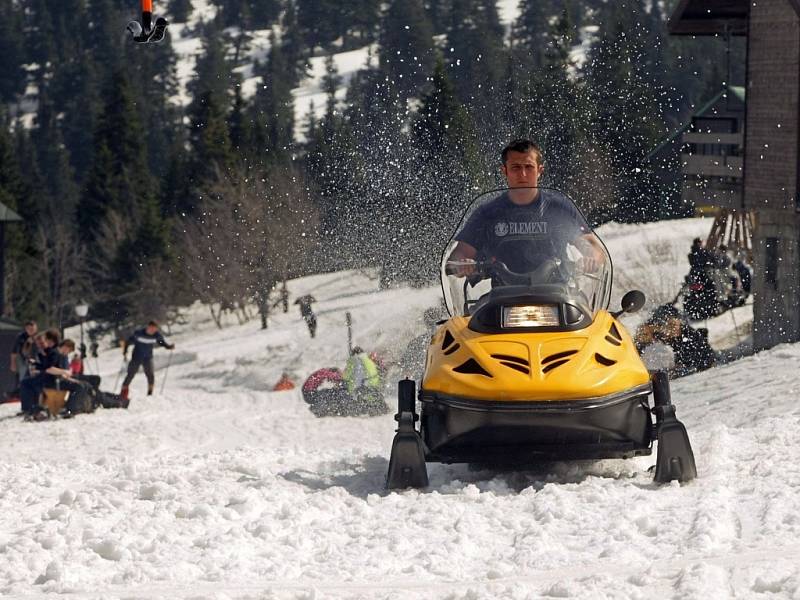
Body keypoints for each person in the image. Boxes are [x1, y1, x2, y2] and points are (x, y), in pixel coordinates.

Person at [446, 139, 602, 279]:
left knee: (590, 312)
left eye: (529, 167)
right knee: (474, 312)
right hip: (502, 299)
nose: (523, 174)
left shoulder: (559, 208)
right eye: (515, 167)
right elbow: (461, 252)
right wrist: (462, 263)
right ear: (504, 171)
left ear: (540, 170)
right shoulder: (487, 213)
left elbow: (590, 244)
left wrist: (590, 257)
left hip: (558, 295)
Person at [635, 304, 715, 378]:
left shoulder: (688, 338)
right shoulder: (656, 335)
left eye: (673, 324)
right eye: (667, 325)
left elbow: (688, 364)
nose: (672, 329)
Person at [120, 321, 175, 399]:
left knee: (150, 375)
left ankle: (150, 393)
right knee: (130, 374)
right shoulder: (139, 334)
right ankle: (123, 393)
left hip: (148, 358)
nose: (152, 331)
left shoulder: (156, 336)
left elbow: (162, 343)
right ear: (148, 327)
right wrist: (125, 351)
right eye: (151, 328)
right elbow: (128, 341)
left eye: (154, 329)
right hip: (136, 357)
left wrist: (169, 347)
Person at [18, 329, 65, 420]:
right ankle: (29, 408)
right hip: (46, 376)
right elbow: (45, 365)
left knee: (28, 383)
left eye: (43, 341)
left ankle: (31, 409)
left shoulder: (53, 351)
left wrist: (38, 366)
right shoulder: (46, 351)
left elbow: (48, 367)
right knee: (26, 382)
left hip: (51, 378)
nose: (41, 345)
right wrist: (36, 363)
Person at [343, 346, 385, 414]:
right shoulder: (367, 360)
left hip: (362, 388)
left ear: (354, 354)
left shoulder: (354, 360)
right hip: (374, 387)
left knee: (345, 388)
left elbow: (345, 376)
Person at [9, 321, 38, 393]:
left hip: (35, 360)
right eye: (29, 329)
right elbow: (15, 351)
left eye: (32, 329)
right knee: (22, 375)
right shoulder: (21, 337)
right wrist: (13, 363)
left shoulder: (39, 337)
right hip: (23, 359)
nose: (31, 331)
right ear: (26, 328)